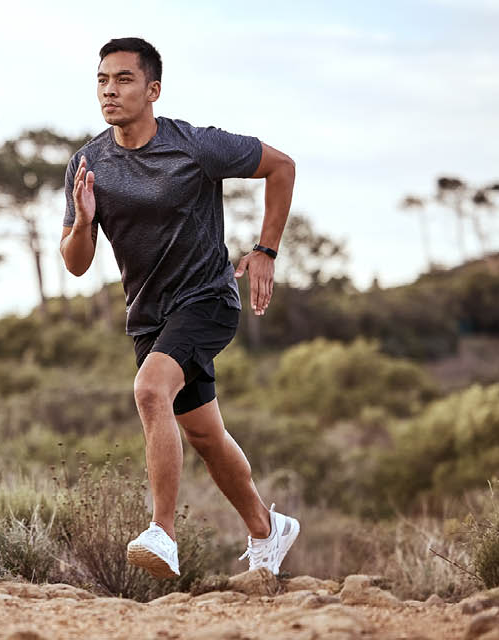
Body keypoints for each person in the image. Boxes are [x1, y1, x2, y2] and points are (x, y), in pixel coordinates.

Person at [59, 37, 299, 578]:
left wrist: (265, 251)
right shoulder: (88, 163)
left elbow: (281, 166)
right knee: (205, 434)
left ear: (153, 90)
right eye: (102, 80)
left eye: (123, 79)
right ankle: (268, 529)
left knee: (149, 390)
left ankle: (162, 532)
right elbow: (75, 264)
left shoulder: (195, 145)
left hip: (208, 299)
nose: (110, 90)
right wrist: (80, 219)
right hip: (150, 315)